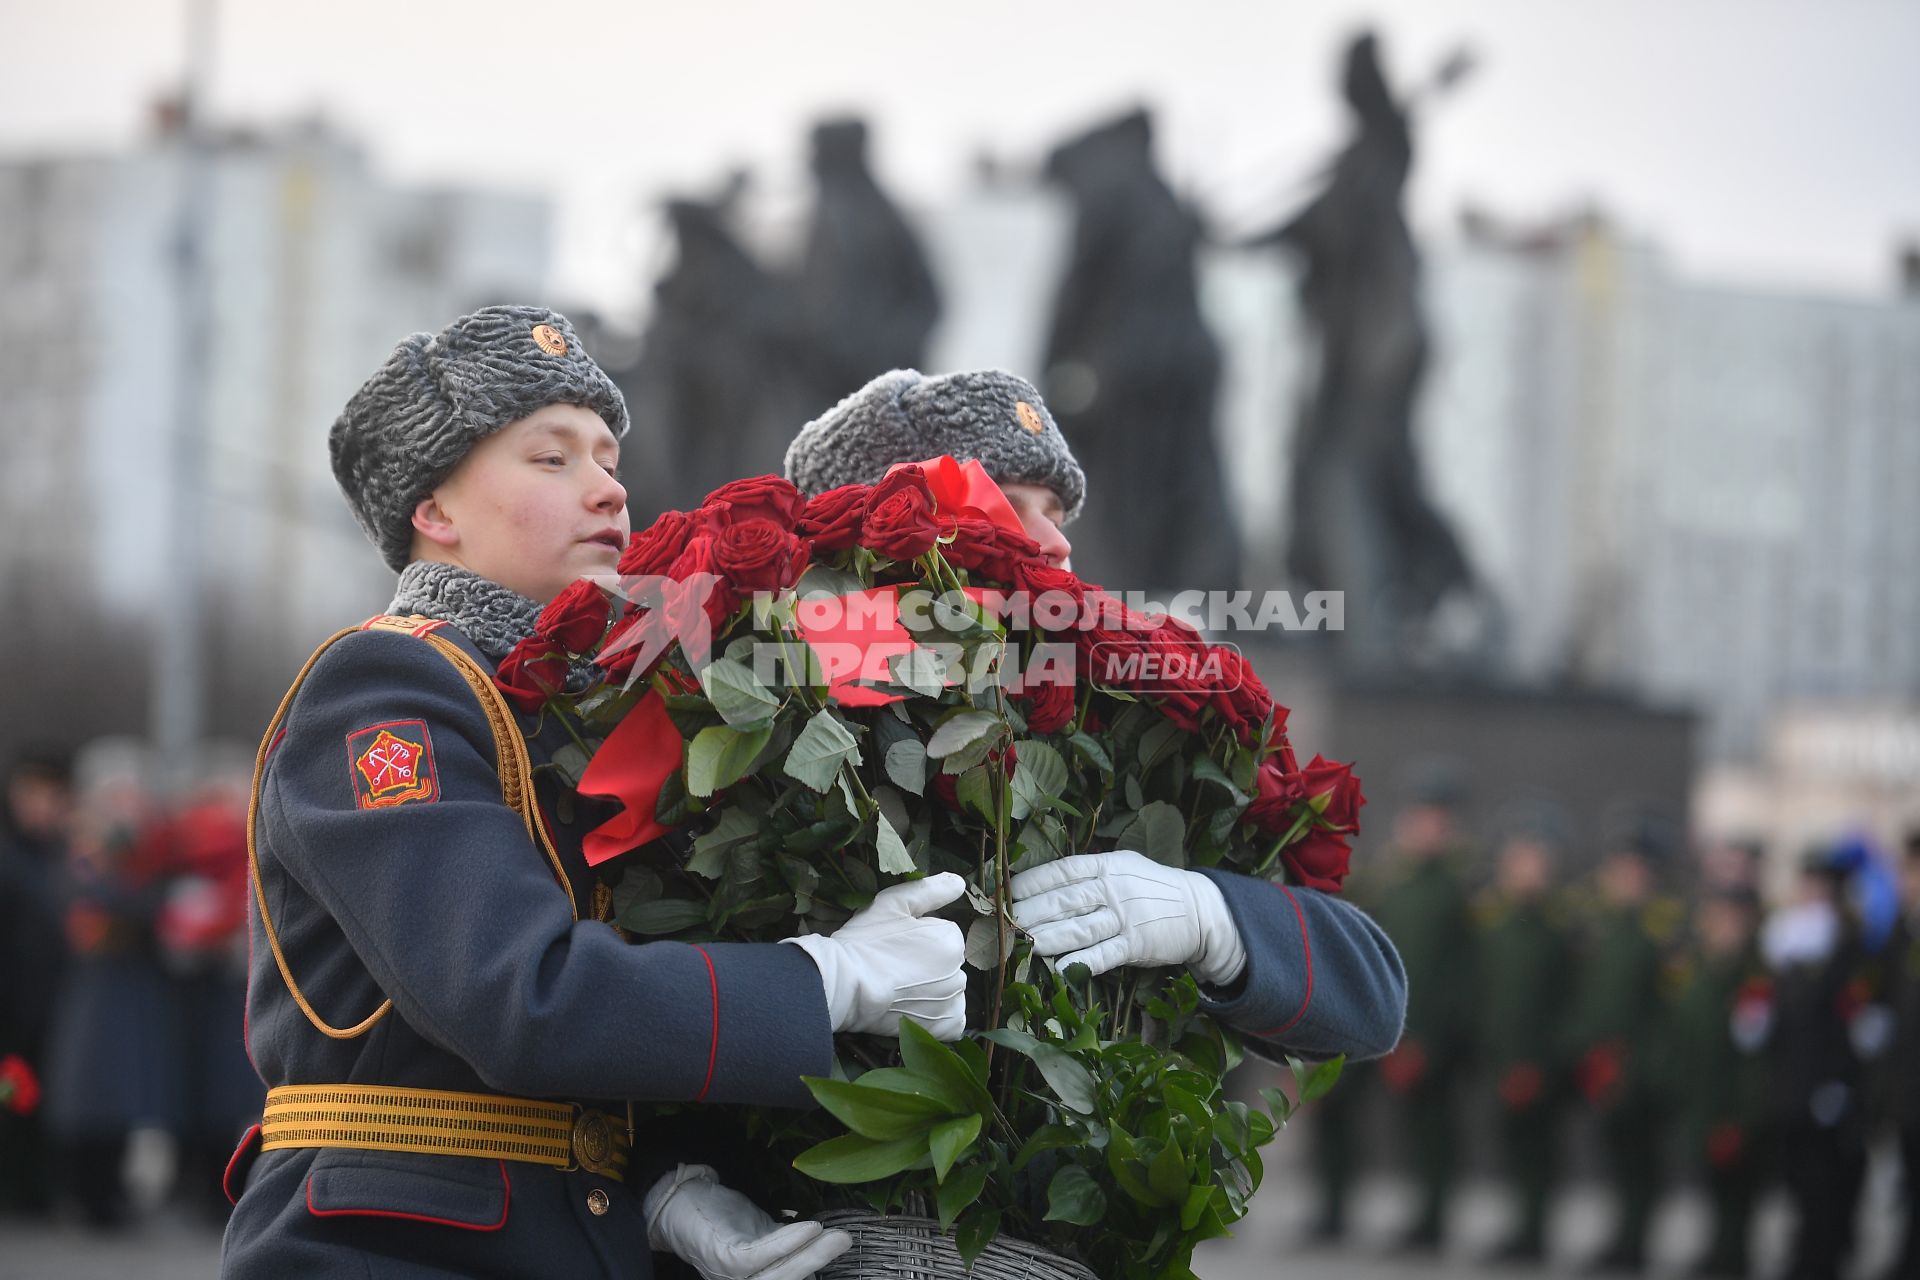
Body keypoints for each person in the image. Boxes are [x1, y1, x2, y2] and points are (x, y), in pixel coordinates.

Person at [222, 306, 972, 1280]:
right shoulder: (385, 686)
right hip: (387, 1247)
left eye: (609, 456)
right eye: (553, 458)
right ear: (436, 511)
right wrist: (825, 976)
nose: (608, 486)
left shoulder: (569, 706)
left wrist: (660, 1184)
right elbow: (518, 994)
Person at [784, 368, 1409, 1068]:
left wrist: (1213, 917)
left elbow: (1373, 1000)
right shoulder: (782, 727)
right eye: (1009, 501)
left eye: (1056, 510)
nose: (1055, 542)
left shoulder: (1108, 729)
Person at [1563, 815, 1683, 1275]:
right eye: (1621, 868)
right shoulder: (1596, 925)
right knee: (1612, 1156)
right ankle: (1621, 1236)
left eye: (1638, 869)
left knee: (1643, 1162)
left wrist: (1643, 1066)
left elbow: (1670, 1011)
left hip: (1644, 1068)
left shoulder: (1667, 931)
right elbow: (1582, 994)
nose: (1628, 878)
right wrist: (1586, 1050)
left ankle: (1636, 1240)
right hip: (1601, 1065)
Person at [1762, 846, 1876, 1280]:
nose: (1811, 892)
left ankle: (1823, 1257)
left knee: (1827, 1180)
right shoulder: (1786, 940)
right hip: (1791, 1079)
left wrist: (1840, 1081)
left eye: (1820, 885)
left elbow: (1851, 1021)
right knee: (1797, 1176)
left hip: (1829, 1083)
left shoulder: (1848, 945)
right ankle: (1805, 1252)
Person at [1474, 806, 1575, 1264]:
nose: (1525, 869)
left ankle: (1535, 1233)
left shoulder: (1561, 929)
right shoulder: (1494, 923)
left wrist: (1543, 1064)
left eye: (1535, 859)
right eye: (1518, 859)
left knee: (1540, 1153)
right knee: (1511, 1151)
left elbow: (1570, 1003)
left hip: (1541, 1065)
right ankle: (1519, 1228)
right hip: (1501, 1059)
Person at [1671, 882, 1772, 1278]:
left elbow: (1754, 1056)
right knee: (1712, 1187)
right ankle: (1718, 1250)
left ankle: (1734, 1256)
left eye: (1733, 919)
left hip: (1737, 1103)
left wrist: (1742, 1117)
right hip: (1702, 1097)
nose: (1723, 927)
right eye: (1717, 918)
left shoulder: (1754, 978)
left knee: (1739, 1191)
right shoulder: (1698, 968)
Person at [0, 744, 73, 1219]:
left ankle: (39, 1189)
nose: (40, 806)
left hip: (59, 1006)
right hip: (11, 1008)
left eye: (50, 796)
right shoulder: (9, 857)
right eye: (30, 794)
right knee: (11, 1098)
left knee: (48, 1100)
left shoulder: (71, 857)